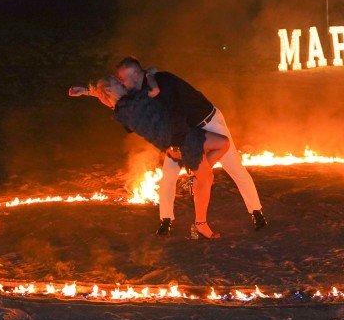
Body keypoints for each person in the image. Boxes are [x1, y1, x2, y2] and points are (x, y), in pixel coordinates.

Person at [114, 57, 267, 235]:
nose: (121, 82)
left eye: (122, 78)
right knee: (169, 175)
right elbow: (131, 117)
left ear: (134, 74)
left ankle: (257, 212)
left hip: (209, 123)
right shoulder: (144, 88)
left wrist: (177, 146)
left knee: (235, 168)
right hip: (186, 132)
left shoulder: (164, 81)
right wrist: (91, 92)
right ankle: (166, 220)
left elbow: (178, 112)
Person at [69, 77, 227, 239]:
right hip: (178, 139)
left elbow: (108, 95)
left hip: (180, 133)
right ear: (112, 91)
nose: (120, 82)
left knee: (223, 144)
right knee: (206, 177)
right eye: (116, 83)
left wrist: (86, 92)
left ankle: (194, 181)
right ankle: (201, 224)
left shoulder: (124, 100)